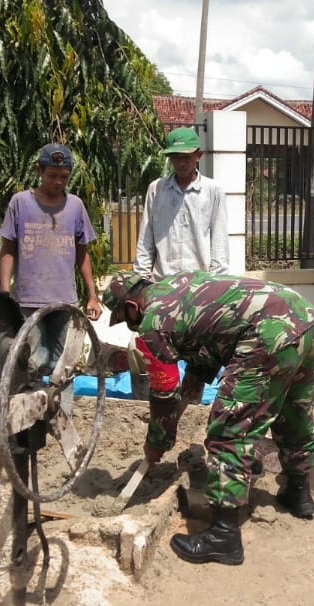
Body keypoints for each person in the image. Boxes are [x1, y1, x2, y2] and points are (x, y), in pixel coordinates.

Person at [103, 270, 314, 566]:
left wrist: (158, 440)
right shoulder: (177, 286)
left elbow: (164, 394)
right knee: (294, 409)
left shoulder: (153, 321)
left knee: (229, 428)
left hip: (267, 334)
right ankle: (298, 492)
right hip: (306, 320)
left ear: (131, 306)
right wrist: (197, 375)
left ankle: (224, 536)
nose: (131, 327)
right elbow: (211, 329)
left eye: (125, 319)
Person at [127, 126, 230, 403]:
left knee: (201, 358)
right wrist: (140, 284)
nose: (181, 162)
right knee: (157, 354)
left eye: (186, 156)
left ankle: (190, 408)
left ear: (198, 155)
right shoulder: (156, 190)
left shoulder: (213, 191)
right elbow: (146, 238)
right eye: (175, 157)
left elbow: (220, 242)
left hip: (200, 290)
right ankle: (158, 408)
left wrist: (217, 290)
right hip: (163, 288)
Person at [0, 143, 102, 371]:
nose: (58, 182)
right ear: (39, 171)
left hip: (65, 301)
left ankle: (61, 408)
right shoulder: (20, 203)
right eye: (52, 175)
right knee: (32, 363)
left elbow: (83, 254)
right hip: (28, 301)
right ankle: (31, 405)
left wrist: (92, 295)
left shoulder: (75, 206)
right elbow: (8, 249)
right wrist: (5, 293)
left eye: (64, 177)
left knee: (64, 365)